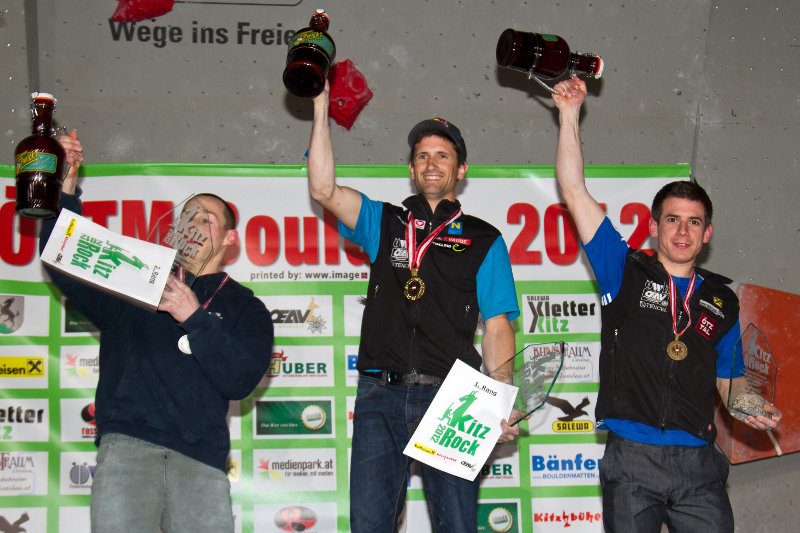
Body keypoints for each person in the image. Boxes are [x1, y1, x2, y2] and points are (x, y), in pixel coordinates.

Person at [552, 77, 782, 532]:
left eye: (694, 222)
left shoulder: (722, 299)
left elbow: (730, 382)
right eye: (673, 220)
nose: (682, 231)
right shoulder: (622, 268)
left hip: (699, 465)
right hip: (632, 460)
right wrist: (569, 113)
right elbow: (575, 191)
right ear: (654, 226)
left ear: (707, 233)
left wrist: (750, 404)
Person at [306, 83, 521, 532]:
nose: (431, 163)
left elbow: (497, 324)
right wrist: (321, 104)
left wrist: (500, 398)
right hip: (378, 394)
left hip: (455, 398)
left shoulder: (485, 239)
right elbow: (323, 188)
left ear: (461, 169)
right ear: (410, 167)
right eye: (422, 155)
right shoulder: (383, 222)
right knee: (369, 525)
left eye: (443, 155)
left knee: (457, 525)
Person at [42, 131, 274, 533]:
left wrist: (195, 317)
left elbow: (240, 380)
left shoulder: (246, 308)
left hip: (201, 461)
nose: (194, 226)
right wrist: (65, 186)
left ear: (230, 239)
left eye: (207, 219)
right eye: (188, 217)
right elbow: (64, 260)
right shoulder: (139, 276)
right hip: (128, 451)